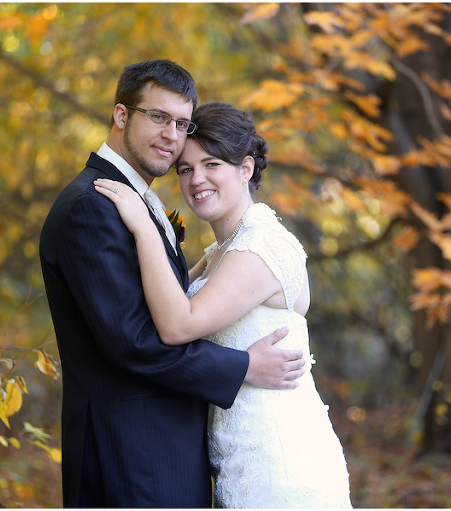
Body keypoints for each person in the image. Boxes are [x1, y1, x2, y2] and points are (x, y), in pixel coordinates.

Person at [39, 60, 306, 508]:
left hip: (171, 452)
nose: (171, 135)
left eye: (181, 123)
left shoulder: (138, 203)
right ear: (122, 115)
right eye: (158, 117)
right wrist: (241, 367)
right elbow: (134, 340)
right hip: (131, 455)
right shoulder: (94, 207)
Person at [94, 102, 352, 508]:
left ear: (246, 169)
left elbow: (179, 325)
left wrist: (143, 228)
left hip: (277, 460)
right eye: (185, 168)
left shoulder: (262, 245)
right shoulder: (221, 251)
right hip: (238, 458)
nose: (197, 179)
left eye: (212, 164)